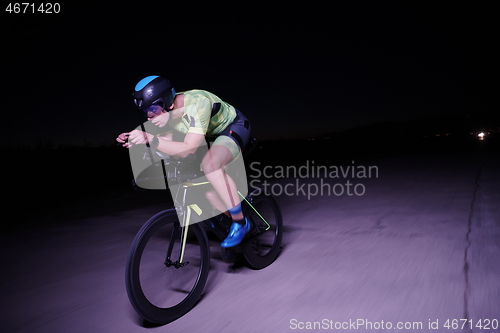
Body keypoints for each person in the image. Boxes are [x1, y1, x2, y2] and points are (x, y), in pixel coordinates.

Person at [116, 75, 251, 247]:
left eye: (153, 110)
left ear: (167, 103)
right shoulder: (167, 114)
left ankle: (240, 222)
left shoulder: (197, 103)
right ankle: (230, 223)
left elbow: (188, 148)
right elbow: (168, 142)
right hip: (208, 136)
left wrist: (150, 138)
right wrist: (138, 142)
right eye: (145, 112)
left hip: (233, 126)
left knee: (210, 166)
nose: (149, 118)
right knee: (208, 190)